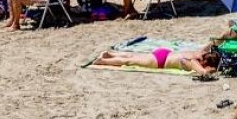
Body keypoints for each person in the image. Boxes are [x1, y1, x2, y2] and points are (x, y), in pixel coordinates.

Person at [93, 42, 221, 76]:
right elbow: (203, 72)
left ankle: (110, 54)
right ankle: (103, 61)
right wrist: (213, 70)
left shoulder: (198, 53)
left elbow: (210, 44)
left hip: (164, 53)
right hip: (160, 61)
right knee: (129, 61)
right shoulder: (194, 62)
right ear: (205, 62)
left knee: (132, 56)